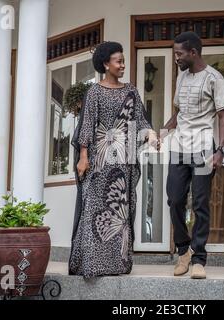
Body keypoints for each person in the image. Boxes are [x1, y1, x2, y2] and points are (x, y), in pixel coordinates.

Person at [69, 41, 157, 277]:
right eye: (118, 61)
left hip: (125, 160)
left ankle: (118, 263)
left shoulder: (131, 91)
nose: (123, 65)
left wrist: (150, 133)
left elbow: (141, 120)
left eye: (123, 60)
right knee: (96, 209)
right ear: (106, 64)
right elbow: (87, 126)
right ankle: (94, 262)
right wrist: (83, 157)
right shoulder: (95, 91)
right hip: (101, 160)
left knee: (120, 210)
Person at [161, 31, 224, 279]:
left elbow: (223, 116)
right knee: (175, 200)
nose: (176, 57)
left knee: (200, 203)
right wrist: (162, 132)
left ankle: (199, 258)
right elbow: (178, 114)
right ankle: (183, 251)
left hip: (203, 147)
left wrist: (221, 150)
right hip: (179, 147)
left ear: (193, 52)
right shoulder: (181, 77)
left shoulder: (214, 78)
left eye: (179, 53)